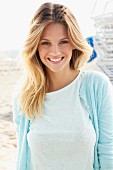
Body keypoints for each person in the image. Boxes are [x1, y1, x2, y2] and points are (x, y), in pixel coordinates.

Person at [12, 2, 113, 170]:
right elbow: (23, 158)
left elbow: (109, 151)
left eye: (63, 41)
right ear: (35, 46)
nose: (56, 51)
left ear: (74, 42)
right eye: (45, 43)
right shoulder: (24, 94)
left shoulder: (96, 86)